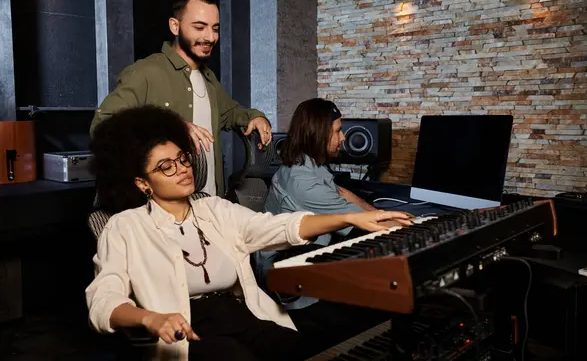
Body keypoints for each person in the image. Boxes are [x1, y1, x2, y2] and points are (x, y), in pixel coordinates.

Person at [85, 105, 413, 361]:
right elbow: (104, 299)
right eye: (165, 166)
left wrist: (349, 219)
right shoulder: (124, 227)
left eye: (183, 159)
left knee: (299, 349)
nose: (183, 169)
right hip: (191, 330)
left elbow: (278, 226)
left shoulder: (213, 209)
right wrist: (148, 319)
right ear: (142, 182)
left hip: (240, 313)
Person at [254, 98, 412, 344]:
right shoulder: (303, 183)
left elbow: (342, 193)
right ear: (318, 134)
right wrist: (423, 226)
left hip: (310, 254)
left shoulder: (310, 166)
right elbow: (370, 223)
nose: (344, 139)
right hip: (287, 277)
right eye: (338, 131)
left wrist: (386, 214)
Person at [90, 0, 271, 197]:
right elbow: (102, 126)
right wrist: (170, 127)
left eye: (215, 28)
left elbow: (229, 112)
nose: (210, 37)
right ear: (175, 26)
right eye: (199, 27)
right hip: (160, 213)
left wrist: (254, 116)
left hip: (209, 205)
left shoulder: (208, 77)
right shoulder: (145, 72)